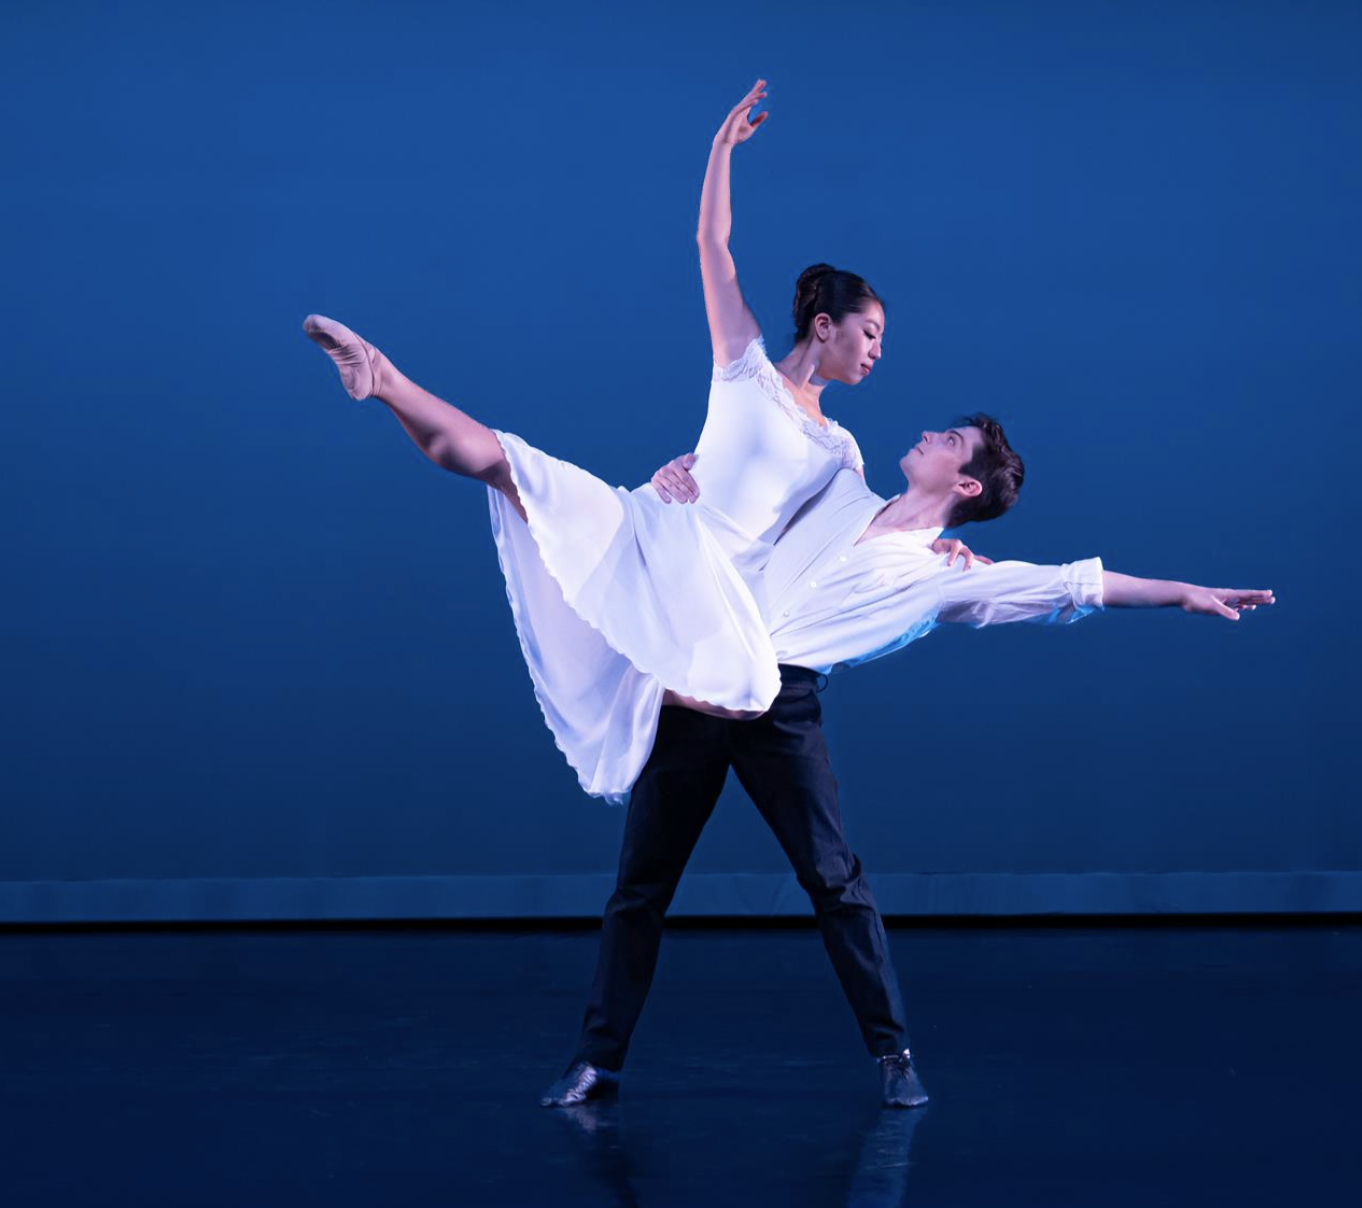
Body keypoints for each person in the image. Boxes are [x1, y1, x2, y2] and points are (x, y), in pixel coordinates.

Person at [540, 415, 1274, 1110]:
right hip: (700, 687)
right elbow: (745, 473)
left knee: (834, 880)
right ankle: (596, 1059)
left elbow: (1066, 585)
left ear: (966, 486)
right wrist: (676, 479)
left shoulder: (943, 574)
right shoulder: (839, 485)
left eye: (948, 439)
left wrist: (1182, 593)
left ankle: (893, 1056)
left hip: (781, 709)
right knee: (640, 887)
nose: (927, 434)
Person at [302, 79, 930, 802]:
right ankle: (380, 377)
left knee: (754, 687)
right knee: (512, 467)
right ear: (827, 325)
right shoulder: (744, 364)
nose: (878, 350)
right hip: (651, 529)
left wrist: (937, 541)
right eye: (871, 332)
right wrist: (721, 151)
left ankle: (644, 696)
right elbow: (712, 243)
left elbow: (873, 527)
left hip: (708, 591)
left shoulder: (841, 454)